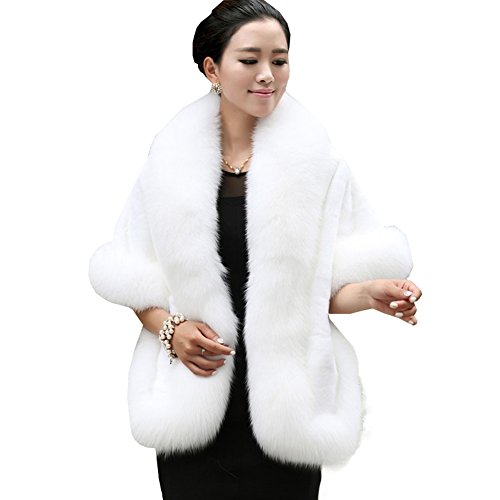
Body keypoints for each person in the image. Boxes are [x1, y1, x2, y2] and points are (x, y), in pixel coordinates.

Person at [88, 1, 422, 498]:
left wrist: (371, 293)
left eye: (279, 60)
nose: (268, 74)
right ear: (212, 68)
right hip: (195, 397)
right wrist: (172, 331)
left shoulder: (318, 165)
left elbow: (319, 290)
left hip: (287, 405)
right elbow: (134, 276)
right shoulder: (169, 163)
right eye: (250, 60)